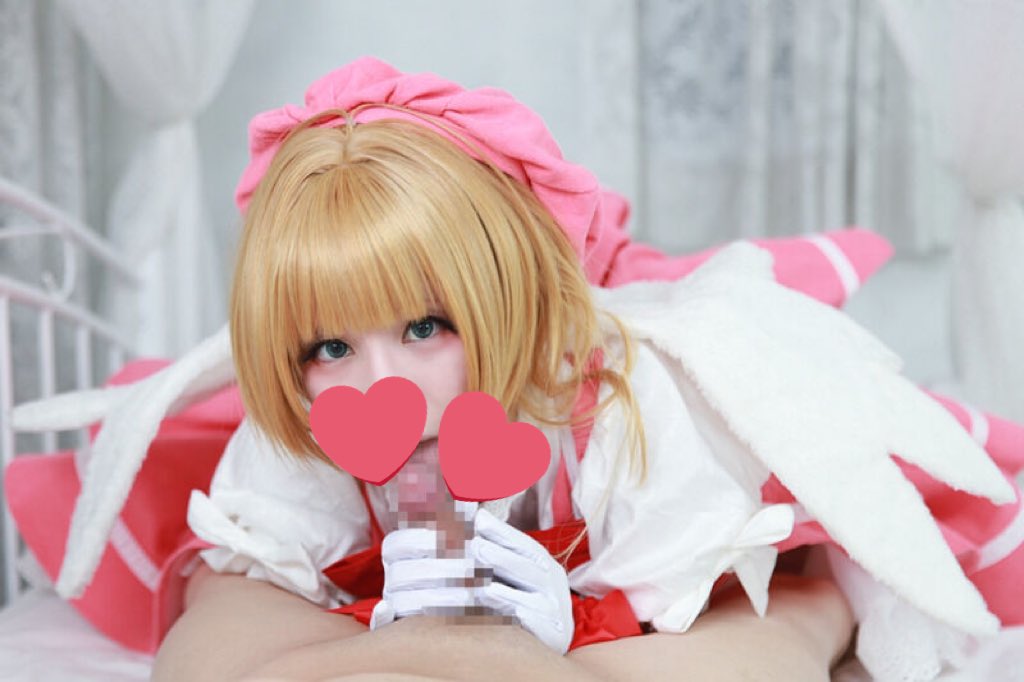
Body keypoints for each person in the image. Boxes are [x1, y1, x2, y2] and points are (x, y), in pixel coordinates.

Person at [9, 57, 1021, 682]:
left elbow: (686, 601)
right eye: (330, 345)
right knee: (214, 633)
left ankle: (828, 601)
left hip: (666, 575)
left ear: (506, 300)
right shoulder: (315, 427)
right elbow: (234, 606)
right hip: (427, 595)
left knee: (753, 641)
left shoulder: (626, 407)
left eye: (425, 327)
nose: (378, 384)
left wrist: (579, 622)